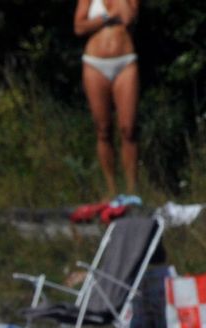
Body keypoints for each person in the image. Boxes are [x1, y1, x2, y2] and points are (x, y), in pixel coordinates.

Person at [74, 0, 140, 202]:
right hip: (95, 63)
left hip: (125, 61)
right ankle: (111, 188)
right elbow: (79, 27)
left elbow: (129, 19)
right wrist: (107, 18)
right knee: (103, 128)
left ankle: (132, 189)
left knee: (128, 128)